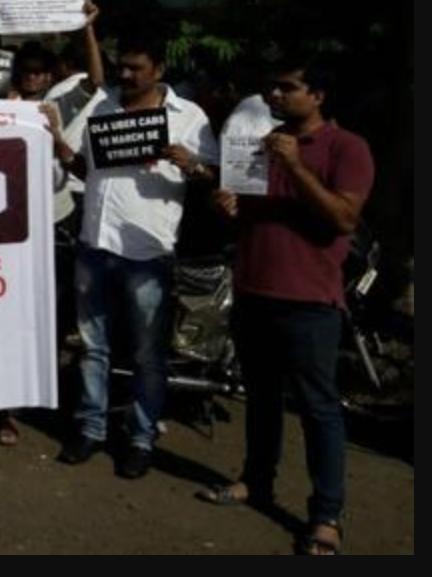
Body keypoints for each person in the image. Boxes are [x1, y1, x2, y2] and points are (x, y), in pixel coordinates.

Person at [203, 59, 374, 557]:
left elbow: (344, 218)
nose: (274, 95)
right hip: (254, 291)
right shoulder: (262, 144)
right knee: (260, 399)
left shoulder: (347, 147)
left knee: (319, 409)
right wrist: (227, 206)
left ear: (318, 95)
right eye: (271, 87)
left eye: (287, 87)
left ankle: (325, 516)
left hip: (310, 302)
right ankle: (256, 481)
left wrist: (296, 165)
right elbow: (250, 217)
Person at [47, 33, 219, 480]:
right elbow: (87, 168)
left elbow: (216, 181)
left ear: (158, 70)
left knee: (147, 354)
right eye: (121, 66)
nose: (125, 74)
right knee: (93, 348)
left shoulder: (188, 117)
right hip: (94, 245)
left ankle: (141, 438)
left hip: (148, 253)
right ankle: (90, 428)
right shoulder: (103, 107)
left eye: (135, 68)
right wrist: (58, 143)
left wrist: (192, 165)